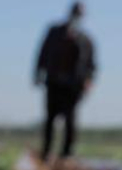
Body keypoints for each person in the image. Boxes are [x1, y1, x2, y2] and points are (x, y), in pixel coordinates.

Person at [35, 2, 98, 161]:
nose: (76, 17)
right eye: (75, 13)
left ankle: (66, 154)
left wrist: (88, 80)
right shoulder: (54, 33)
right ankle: (47, 151)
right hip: (54, 82)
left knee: (70, 119)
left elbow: (91, 65)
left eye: (79, 15)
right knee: (51, 118)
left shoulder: (86, 40)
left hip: (73, 86)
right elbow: (42, 53)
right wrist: (38, 73)